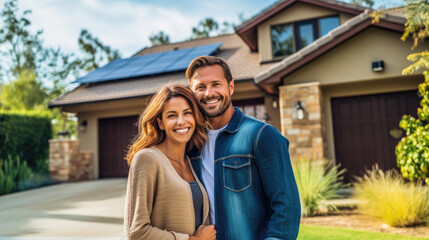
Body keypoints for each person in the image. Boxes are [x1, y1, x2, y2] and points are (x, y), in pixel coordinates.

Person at [186, 56, 301, 240]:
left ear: (230, 87)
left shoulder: (261, 135)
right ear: (192, 93)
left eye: (216, 84)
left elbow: (287, 207)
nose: (209, 93)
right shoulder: (191, 143)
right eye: (200, 87)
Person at [124, 84, 216, 240]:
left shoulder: (191, 161)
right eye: (172, 115)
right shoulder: (147, 159)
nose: (181, 121)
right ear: (161, 123)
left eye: (187, 113)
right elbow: (136, 232)